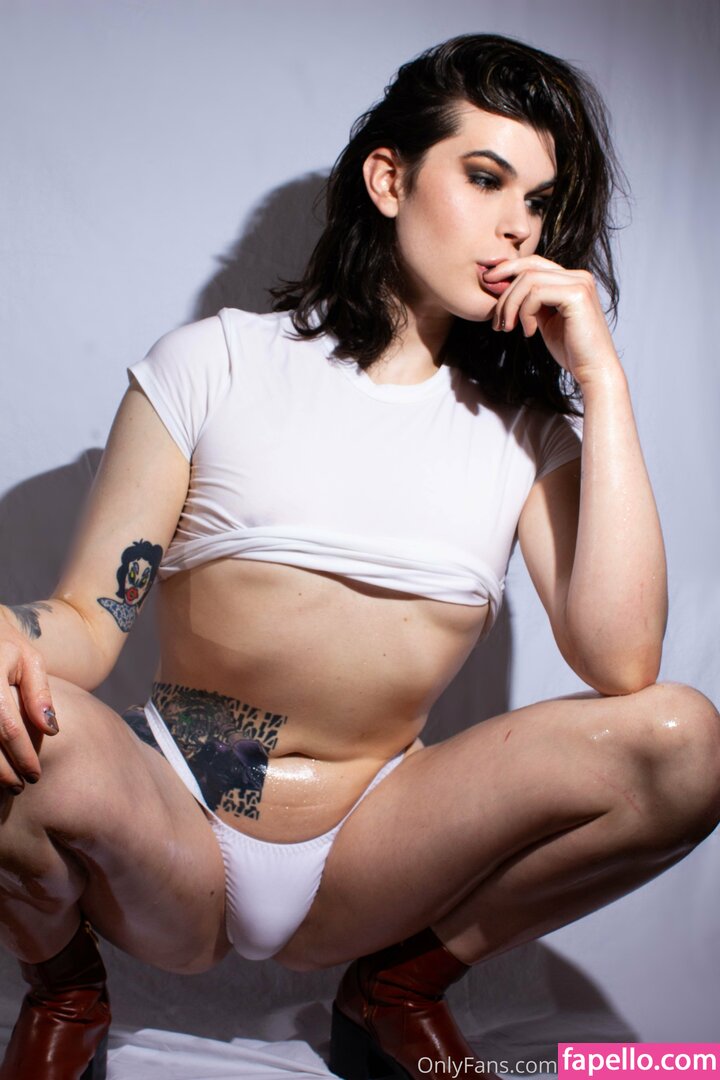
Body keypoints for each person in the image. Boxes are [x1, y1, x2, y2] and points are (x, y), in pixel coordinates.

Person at [0, 31, 718, 1080]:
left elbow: (621, 664)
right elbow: (87, 622)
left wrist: (602, 380)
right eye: (485, 178)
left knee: (684, 744)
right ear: (389, 179)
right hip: (186, 807)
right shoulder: (215, 365)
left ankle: (396, 986)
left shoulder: (524, 435)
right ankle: (64, 987)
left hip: (375, 836)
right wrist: (5, 634)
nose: (518, 226)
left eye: (538, 202)